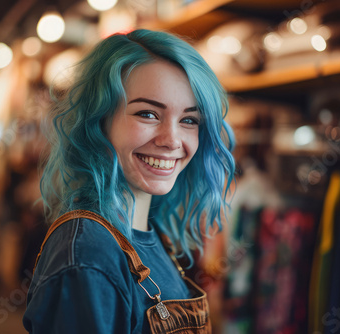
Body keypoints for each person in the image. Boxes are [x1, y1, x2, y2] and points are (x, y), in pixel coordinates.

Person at [23, 29, 236, 333]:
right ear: (98, 120)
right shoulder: (89, 256)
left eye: (189, 119)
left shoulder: (149, 232)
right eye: (148, 114)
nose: (172, 140)